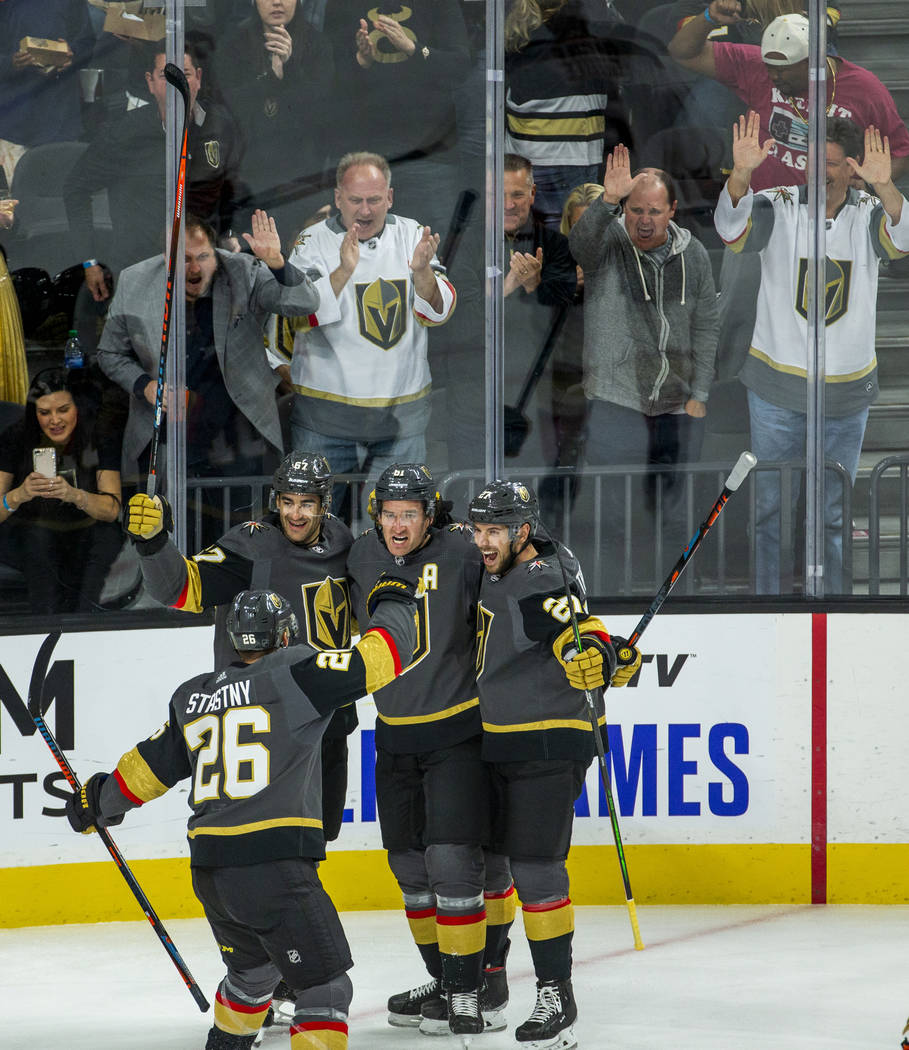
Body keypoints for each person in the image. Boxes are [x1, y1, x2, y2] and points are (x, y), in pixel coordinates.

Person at [63, 581, 420, 1050]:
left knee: (252, 978)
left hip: (213, 873)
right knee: (325, 990)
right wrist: (394, 601)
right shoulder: (295, 672)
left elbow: (146, 771)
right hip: (273, 867)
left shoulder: (193, 696)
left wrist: (97, 803)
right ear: (287, 635)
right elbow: (382, 659)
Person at [467, 479, 641, 1050]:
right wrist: (615, 654)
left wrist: (590, 655)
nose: (483, 540)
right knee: (492, 869)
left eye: (495, 530)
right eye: (478, 528)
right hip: (499, 737)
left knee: (535, 868)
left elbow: (573, 626)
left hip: (549, 738)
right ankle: (489, 985)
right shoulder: (500, 566)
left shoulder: (544, 573)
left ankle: (555, 993)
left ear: (522, 531)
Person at [345, 463, 512, 1037]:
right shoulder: (360, 555)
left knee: (455, 864)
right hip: (392, 736)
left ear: (430, 515)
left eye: (410, 514)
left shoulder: (464, 551)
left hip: (459, 734)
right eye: (390, 514)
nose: (399, 526)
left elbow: (524, 563)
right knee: (409, 868)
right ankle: (446, 979)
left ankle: (476, 986)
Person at [713, 113, 909, 594]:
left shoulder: (869, 212)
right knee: (769, 509)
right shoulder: (776, 206)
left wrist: (885, 188)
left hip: (846, 395)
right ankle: (767, 606)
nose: (820, 172)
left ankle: (834, 607)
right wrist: (741, 174)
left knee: (833, 513)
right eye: (813, 162)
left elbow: (904, 241)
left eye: (834, 164)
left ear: (852, 168)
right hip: (775, 390)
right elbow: (731, 231)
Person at [97, 210, 318, 544]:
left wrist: (276, 263)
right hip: (170, 438)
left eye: (203, 257)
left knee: (242, 542)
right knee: (173, 542)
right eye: (184, 259)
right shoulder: (134, 281)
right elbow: (109, 353)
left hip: (239, 436)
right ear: (166, 258)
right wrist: (145, 386)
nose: (195, 269)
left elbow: (304, 301)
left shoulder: (244, 271)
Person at [568, 144, 718, 583]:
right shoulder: (609, 241)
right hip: (615, 402)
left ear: (672, 209)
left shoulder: (695, 256)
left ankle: (678, 602)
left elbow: (708, 326)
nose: (645, 220)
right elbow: (580, 248)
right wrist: (606, 202)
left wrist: (701, 395)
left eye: (654, 210)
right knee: (613, 517)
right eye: (635, 210)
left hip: (677, 408)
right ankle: (613, 602)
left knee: (675, 518)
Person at [285, 152, 456, 514]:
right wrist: (345, 270)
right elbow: (299, 315)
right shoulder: (311, 241)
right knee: (317, 531)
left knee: (397, 530)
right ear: (337, 199)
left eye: (374, 200)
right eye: (356, 200)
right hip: (325, 422)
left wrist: (423, 271)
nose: (365, 210)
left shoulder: (412, 234)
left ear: (389, 198)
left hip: (401, 421)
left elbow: (439, 311)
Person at [64, 44, 242, 302]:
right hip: (140, 274)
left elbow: (232, 186)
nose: (176, 85)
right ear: (150, 82)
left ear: (199, 79)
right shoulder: (123, 134)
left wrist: (229, 235)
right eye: (165, 76)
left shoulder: (219, 124)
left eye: (186, 75)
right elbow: (75, 189)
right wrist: (89, 262)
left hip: (202, 274)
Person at [667, 7, 909, 190]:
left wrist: (869, 187)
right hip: (763, 211)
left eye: (783, 69)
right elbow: (683, 53)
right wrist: (710, 17)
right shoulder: (756, 66)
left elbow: (901, 152)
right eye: (770, 66)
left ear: (813, 61)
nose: (773, 75)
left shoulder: (865, 89)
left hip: (833, 217)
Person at [445, 153, 577, 470]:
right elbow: (457, 325)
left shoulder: (555, 245)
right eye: (498, 195)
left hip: (532, 396)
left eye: (517, 194)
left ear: (532, 194)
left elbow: (565, 320)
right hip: (472, 397)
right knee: (469, 493)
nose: (509, 204)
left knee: (527, 498)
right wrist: (507, 288)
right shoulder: (464, 244)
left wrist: (534, 287)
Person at [0, 367, 123, 613]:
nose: (54, 421)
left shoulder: (98, 435)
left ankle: (87, 624)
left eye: (63, 410)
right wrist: (19, 495)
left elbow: (112, 510)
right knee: (38, 539)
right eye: (44, 413)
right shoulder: (16, 436)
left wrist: (75, 495)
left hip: (87, 530)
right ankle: (45, 626)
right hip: (33, 530)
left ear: (78, 407)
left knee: (103, 540)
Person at [211, 0, 334, 237]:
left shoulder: (318, 44)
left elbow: (320, 112)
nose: (277, 2)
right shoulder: (232, 44)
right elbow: (226, 106)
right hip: (247, 178)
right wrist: (270, 78)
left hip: (302, 178)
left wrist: (290, 70)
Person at [503, 0, 625, 230]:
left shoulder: (526, 32)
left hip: (547, 158)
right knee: (569, 246)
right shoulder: (564, 30)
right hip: (564, 161)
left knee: (553, 246)